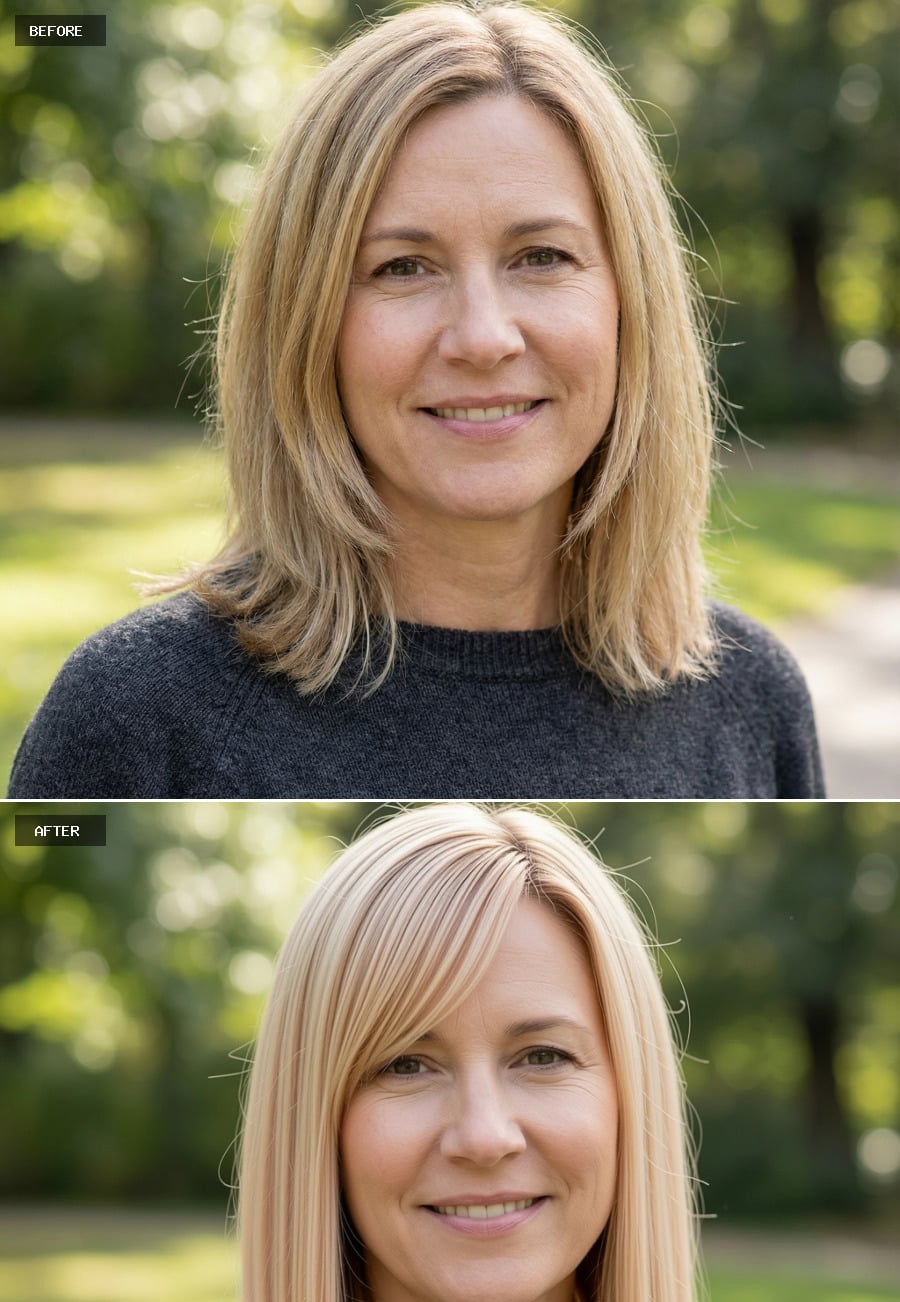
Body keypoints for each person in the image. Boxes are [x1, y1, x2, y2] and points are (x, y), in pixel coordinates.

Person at [10, 804, 835, 1302]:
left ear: (629, 1097)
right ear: (317, 1118)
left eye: (542, 1056)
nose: (484, 1135)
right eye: (406, 1063)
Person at [8, 2, 822, 800]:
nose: (483, 337)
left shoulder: (752, 703)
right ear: (305, 324)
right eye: (402, 267)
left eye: (541, 256)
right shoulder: (138, 718)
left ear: (630, 302)